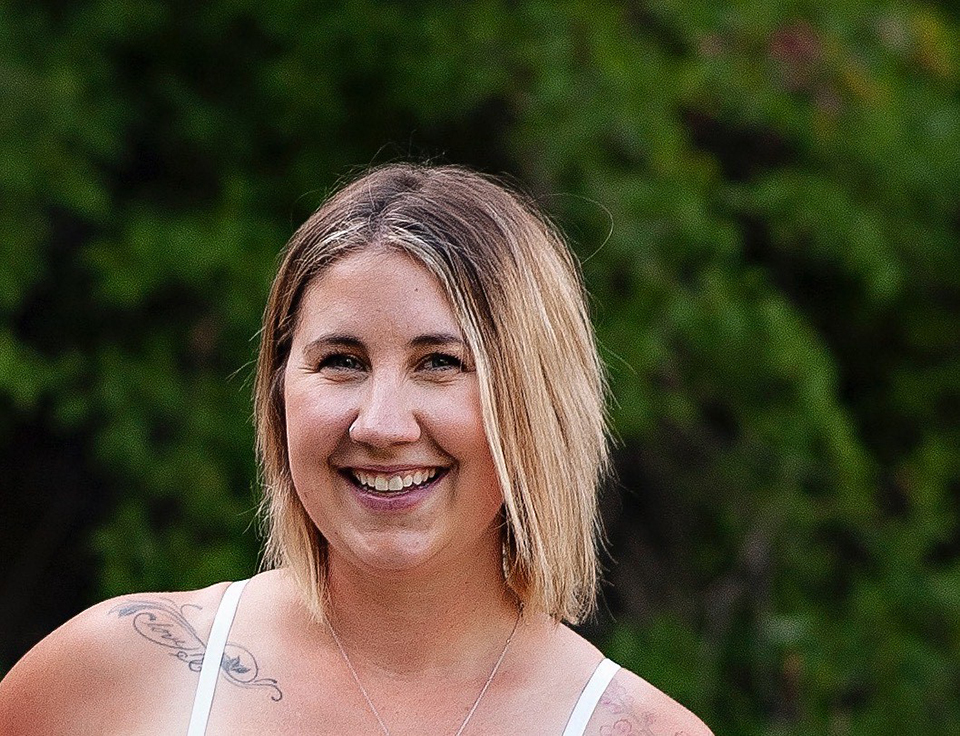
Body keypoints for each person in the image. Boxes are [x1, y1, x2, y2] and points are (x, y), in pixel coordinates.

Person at [0, 164, 712, 735]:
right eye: (341, 360)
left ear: (538, 399)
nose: (381, 424)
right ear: (279, 388)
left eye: (440, 363)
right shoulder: (116, 673)